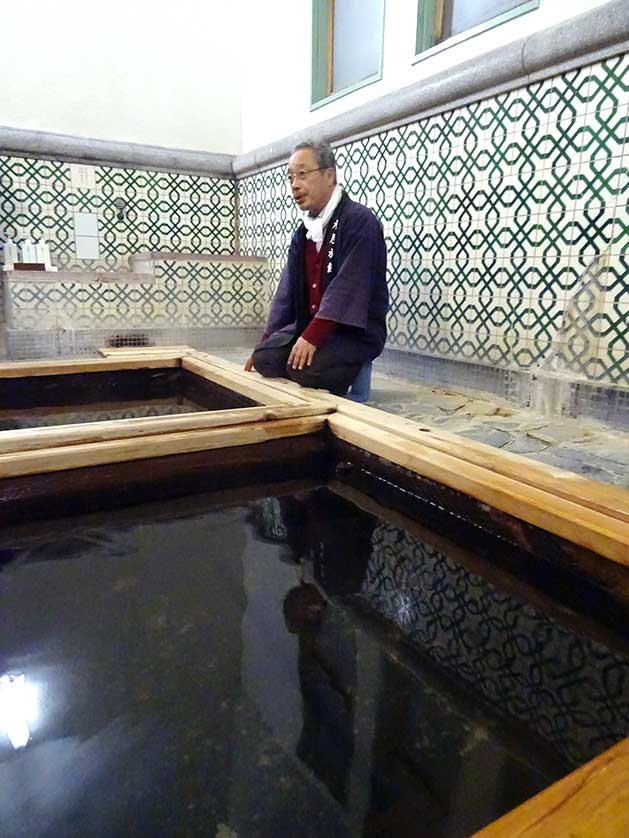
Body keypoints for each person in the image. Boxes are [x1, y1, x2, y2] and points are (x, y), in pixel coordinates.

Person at [244, 140, 389, 395]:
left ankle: (358, 369)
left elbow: (348, 288)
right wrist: (266, 341)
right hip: (309, 327)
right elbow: (286, 293)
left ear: (329, 175)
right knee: (265, 359)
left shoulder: (359, 221)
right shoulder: (304, 232)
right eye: (290, 177)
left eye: (302, 174)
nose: (295, 185)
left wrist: (313, 336)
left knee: (307, 370)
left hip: (352, 332)